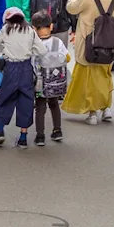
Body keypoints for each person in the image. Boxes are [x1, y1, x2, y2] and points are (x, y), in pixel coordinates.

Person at [63, 0, 114, 124]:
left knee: (88, 77)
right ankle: (106, 108)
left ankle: (92, 113)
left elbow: (71, 8)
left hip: (89, 43)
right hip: (108, 43)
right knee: (105, 74)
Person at [0, 7, 46, 148]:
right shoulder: (30, 31)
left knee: (4, 99)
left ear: (7, 20)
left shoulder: (6, 30)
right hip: (26, 68)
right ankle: (23, 138)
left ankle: (0, 131)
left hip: (10, 69)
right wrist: (30, 50)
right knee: (26, 102)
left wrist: (4, 49)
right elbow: (42, 51)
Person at [30, 12, 69, 145]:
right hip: (56, 82)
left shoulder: (34, 44)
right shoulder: (57, 42)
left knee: (40, 107)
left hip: (40, 83)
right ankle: (57, 130)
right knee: (54, 105)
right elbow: (67, 57)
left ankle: (40, 136)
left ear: (34, 29)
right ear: (51, 26)